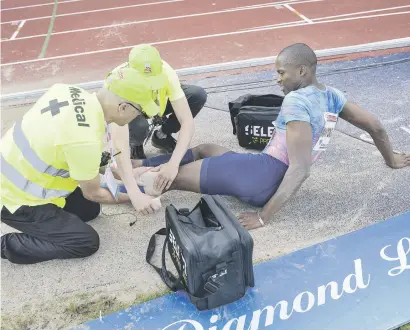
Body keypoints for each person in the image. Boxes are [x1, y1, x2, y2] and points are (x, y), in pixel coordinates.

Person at [131, 43, 410, 230]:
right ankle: (139, 166)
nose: (277, 79)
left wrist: (263, 217)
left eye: (280, 72)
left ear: (301, 70)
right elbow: (376, 127)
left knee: (166, 180)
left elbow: (301, 169)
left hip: (260, 177)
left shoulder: (296, 103)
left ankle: (122, 183)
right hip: (262, 172)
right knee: (205, 148)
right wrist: (391, 160)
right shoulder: (333, 95)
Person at [0, 67, 162, 264]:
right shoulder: (84, 140)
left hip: (16, 173)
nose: (138, 118)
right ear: (123, 107)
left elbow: (74, 157)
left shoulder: (68, 91)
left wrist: (127, 176)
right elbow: (92, 192)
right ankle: (6, 246)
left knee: (91, 210)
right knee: (85, 242)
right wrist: (135, 198)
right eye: (140, 112)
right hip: (14, 199)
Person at [112, 45, 207, 183]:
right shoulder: (117, 81)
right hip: (135, 110)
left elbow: (186, 121)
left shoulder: (167, 72)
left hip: (157, 105)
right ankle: (136, 144)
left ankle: (162, 135)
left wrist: (173, 164)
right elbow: (116, 134)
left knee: (197, 95)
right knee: (140, 125)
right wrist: (127, 173)